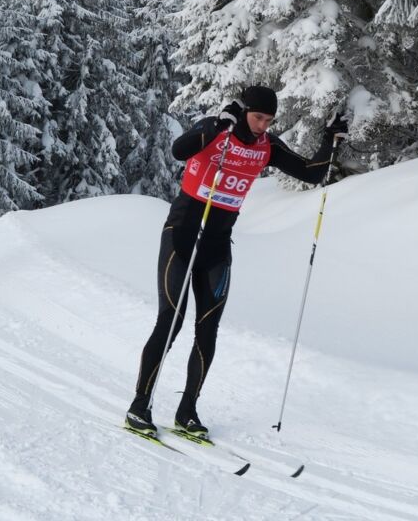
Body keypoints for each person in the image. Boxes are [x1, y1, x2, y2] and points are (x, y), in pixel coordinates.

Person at [125, 85, 347, 438]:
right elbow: (178, 150)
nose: (263, 125)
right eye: (258, 117)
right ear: (244, 111)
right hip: (182, 236)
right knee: (171, 321)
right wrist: (214, 127)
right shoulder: (216, 131)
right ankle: (139, 405)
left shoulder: (266, 147)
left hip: (216, 245)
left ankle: (187, 412)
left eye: (269, 120)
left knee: (207, 329)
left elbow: (312, 172)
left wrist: (330, 136)